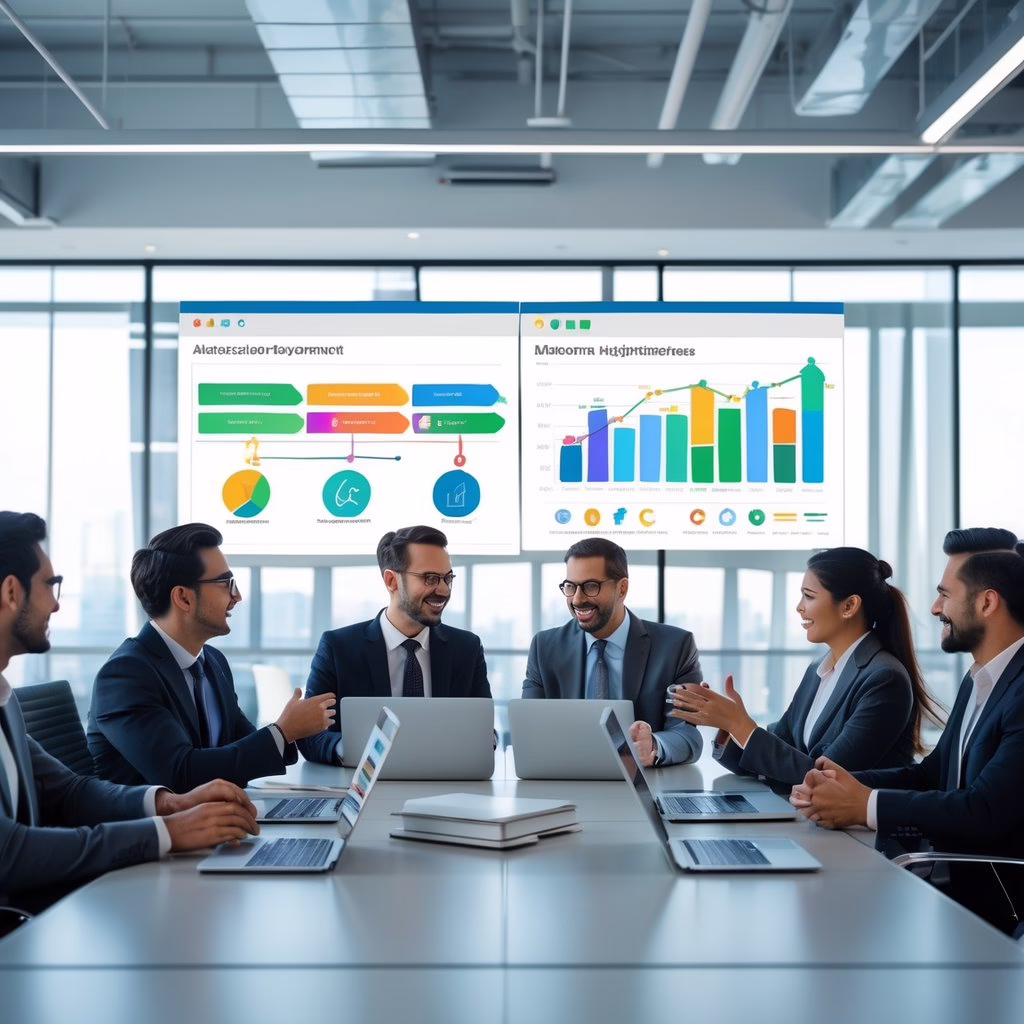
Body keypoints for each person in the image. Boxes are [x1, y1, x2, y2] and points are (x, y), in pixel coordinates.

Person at [0, 511, 259, 919]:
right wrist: (168, 832)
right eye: (50, 585)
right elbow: (8, 851)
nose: (56, 603)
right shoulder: (129, 670)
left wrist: (170, 805)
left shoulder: (4, 700)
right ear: (12, 593)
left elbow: (71, 792)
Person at [791, 528, 1024, 936]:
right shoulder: (979, 680)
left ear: (987, 602)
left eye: (945, 594)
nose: (935, 609)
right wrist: (842, 784)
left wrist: (865, 806)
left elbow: (985, 811)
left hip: (995, 908)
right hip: (949, 889)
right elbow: (930, 774)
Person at [669, 547, 945, 789]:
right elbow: (777, 753)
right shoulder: (819, 669)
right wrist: (727, 725)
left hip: (860, 839)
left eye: (809, 596)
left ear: (849, 606)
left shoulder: (885, 679)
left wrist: (738, 723)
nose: (799, 608)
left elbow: (823, 778)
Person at [88, 523, 335, 790]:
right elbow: (180, 773)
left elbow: (241, 747)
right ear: (183, 598)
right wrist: (284, 730)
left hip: (216, 820)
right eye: (226, 583)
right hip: (153, 829)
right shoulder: (127, 675)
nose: (237, 596)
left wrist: (291, 729)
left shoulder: (213, 662)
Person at [299, 525, 491, 765]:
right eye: (430, 578)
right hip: (365, 789)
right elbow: (309, 736)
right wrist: (351, 750)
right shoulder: (339, 648)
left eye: (447, 578)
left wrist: (484, 740)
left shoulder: (467, 649)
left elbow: (484, 730)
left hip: (445, 786)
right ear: (392, 580)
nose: (443, 590)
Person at [523, 537, 702, 766]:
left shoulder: (676, 646)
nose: (577, 599)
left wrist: (654, 746)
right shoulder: (544, 647)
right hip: (567, 779)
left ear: (622, 588)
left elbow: (688, 735)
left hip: (642, 784)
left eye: (590, 586)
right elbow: (530, 729)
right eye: (570, 586)